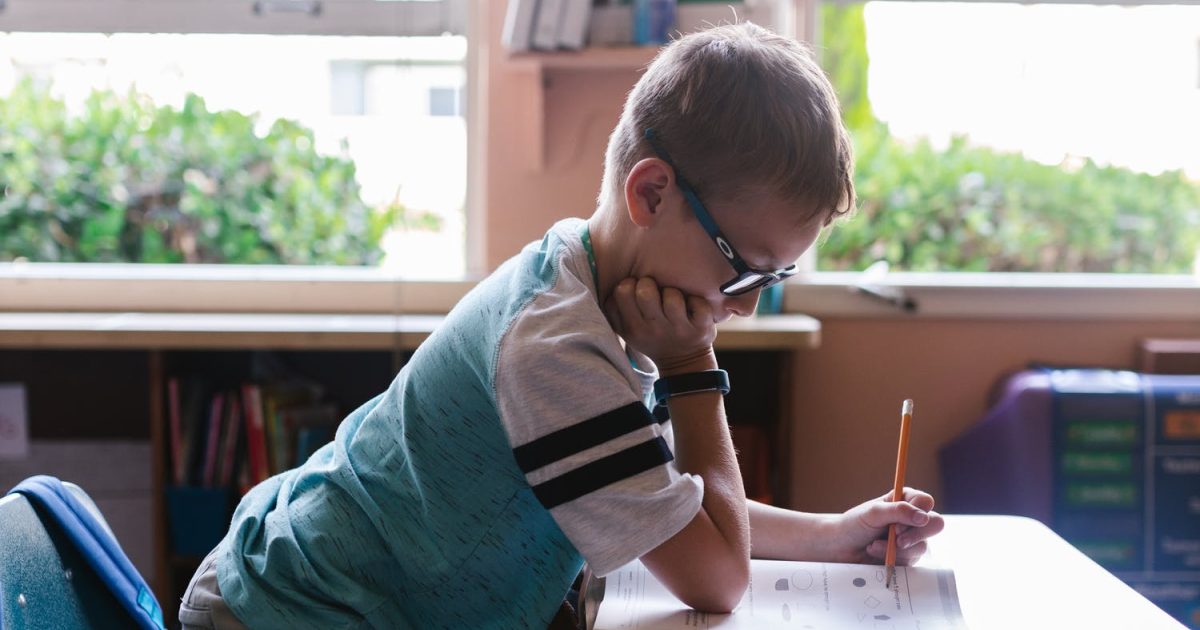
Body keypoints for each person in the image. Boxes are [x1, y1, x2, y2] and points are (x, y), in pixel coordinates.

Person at [178, 20, 945, 630]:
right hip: (288, 610)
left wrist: (835, 532)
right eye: (741, 268)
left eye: (773, 279)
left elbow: (668, 507)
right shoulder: (554, 349)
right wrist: (693, 371)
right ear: (651, 192)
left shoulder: (584, 279)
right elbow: (718, 577)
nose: (744, 303)